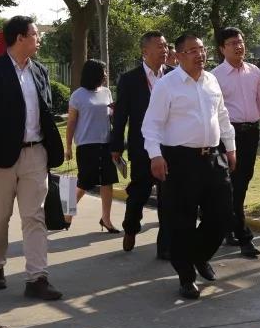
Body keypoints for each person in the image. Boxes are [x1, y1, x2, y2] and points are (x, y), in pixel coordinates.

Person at [0, 16, 65, 301]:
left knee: (35, 216)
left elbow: (46, 110)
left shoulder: (39, 71)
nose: (39, 39)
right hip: (1, 157)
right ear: (20, 38)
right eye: (35, 34)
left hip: (35, 153)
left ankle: (37, 278)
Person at [142, 32, 236, 300]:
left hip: (212, 157)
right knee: (181, 220)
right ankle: (186, 276)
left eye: (202, 49)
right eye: (193, 50)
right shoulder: (167, 85)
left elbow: (222, 115)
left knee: (222, 214)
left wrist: (230, 147)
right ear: (179, 55)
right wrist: (155, 155)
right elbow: (152, 125)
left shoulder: (211, 80)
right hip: (180, 159)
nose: (200, 55)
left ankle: (199, 255)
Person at [212, 27, 260, 259]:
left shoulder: (253, 72)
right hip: (227, 136)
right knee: (233, 183)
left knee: (242, 183)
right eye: (232, 43)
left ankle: (229, 228)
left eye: (240, 42)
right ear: (222, 48)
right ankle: (244, 237)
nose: (239, 46)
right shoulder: (215, 76)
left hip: (251, 133)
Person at [110, 31, 171, 257]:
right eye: (159, 46)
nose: (165, 50)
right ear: (145, 51)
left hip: (170, 145)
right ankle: (131, 227)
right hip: (142, 146)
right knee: (139, 192)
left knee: (169, 197)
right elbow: (120, 116)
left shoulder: (174, 75)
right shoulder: (130, 79)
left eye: (166, 45)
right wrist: (116, 146)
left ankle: (165, 245)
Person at [65, 59, 119, 232]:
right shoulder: (78, 95)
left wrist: (115, 113)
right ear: (94, 74)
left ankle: (106, 219)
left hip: (106, 143)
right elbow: (71, 123)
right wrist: (68, 146)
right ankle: (67, 213)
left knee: (107, 182)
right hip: (86, 145)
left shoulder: (106, 92)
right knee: (85, 183)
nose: (106, 74)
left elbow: (110, 116)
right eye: (103, 71)